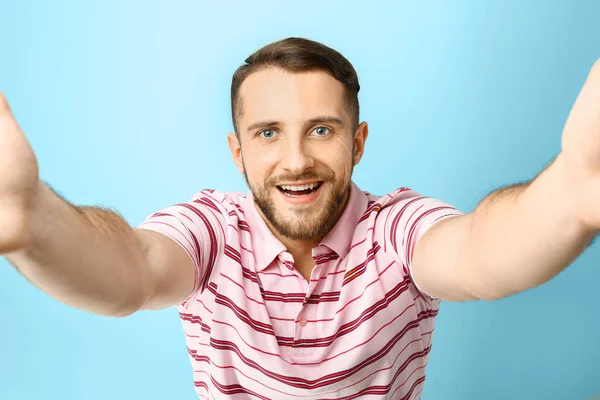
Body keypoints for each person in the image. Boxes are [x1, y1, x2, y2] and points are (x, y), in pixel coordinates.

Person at [0, 37, 598, 399]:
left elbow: (479, 253)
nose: (295, 161)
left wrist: (574, 193)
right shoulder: (212, 229)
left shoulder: (395, 229)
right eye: (267, 133)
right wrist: (31, 220)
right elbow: (130, 270)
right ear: (238, 151)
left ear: (357, 142)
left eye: (321, 129)